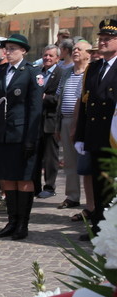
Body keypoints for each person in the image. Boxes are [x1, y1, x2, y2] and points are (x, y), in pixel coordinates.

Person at [0, 34, 45, 241]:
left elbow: (35, 108)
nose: (8, 52)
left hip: (22, 135)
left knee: (23, 179)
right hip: (4, 134)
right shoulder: (0, 70)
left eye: (13, 48)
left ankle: (23, 223)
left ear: (23, 51)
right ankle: (11, 221)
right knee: (6, 178)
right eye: (7, 48)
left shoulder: (31, 72)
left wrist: (31, 138)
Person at [74, 18, 117, 240]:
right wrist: (80, 135)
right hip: (95, 136)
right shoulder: (94, 68)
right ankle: (99, 228)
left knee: (112, 188)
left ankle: (112, 232)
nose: (102, 42)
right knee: (99, 187)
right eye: (101, 39)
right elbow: (85, 103)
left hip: (113, 139)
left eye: (108, 39)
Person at [55, 40, 92, 214]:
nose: (75, 51)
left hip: (84, 124)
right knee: (69, 161)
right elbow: (59, 98)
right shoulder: (66, 72)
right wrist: (57, 124)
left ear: (88, 54)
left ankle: (90, 202)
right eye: (74, 48)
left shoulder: (91, 72)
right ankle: (72, 196)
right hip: (65, 119)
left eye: (79, 49)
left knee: (86, 164)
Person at [33, 45, 65, 199]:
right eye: (45, 55)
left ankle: (50, 186)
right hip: (36, 120)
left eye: (51, 56)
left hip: (51, 120)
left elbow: (60, 99)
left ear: (57, 58)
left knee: (50, 156)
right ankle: (35, 186)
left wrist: (45, 98)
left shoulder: (61, 74)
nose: (47, 58)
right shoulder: (38, 72)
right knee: (35, 154)